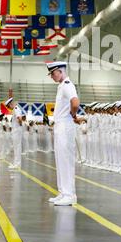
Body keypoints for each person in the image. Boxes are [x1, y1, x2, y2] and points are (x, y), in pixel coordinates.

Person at [46, 61, 80, 206]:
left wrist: (72, 115)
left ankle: (69, 194)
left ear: (60, 71)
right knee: (60, 160)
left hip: (65, 126)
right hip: (60, 126)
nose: (52, 77)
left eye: (53, 74)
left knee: (66, 160)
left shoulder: (67, 85)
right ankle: (63, 192)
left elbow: (75, 103)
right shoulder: (61, 86)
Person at [6, 97, 23, 170]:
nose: (9, 108)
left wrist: (19, 127)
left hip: (16, 130)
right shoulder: (15, 109)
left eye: (8, 106)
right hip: (16, 130)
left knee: (17, 147)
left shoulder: (16, 109)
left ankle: (17, 164)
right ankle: (16, 163)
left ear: (10, 104)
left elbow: (20, 119)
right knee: (16, 147)